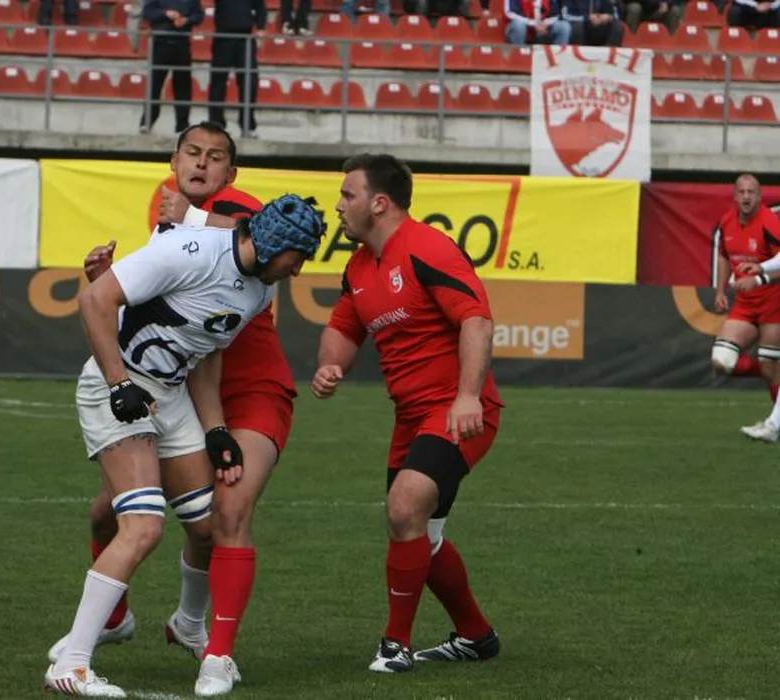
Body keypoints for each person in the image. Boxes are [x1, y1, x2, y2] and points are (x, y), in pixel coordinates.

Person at [48, 122, 303, 697]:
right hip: (124, 388)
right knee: (138, 527)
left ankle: (184, 623)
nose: (300, 269)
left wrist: (215, 431)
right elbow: (99, 301)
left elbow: (203, 351)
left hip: (175, 394)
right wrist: (118, 380)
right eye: (298, 256)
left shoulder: (256, 283)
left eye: (214, 157)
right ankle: (74, 663)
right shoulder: (185, 239)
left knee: (207, 527)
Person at [311, 153, 502, 674]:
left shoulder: (427, 247)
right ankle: (476, 636)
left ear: (379, 203)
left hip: (458, 409)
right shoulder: (358, 266)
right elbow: (343, 329)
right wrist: (329, 366)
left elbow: (477, 321)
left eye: (347, 195)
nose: (339, 205)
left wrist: (467, 396)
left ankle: (395, 645)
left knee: (403, 508)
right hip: (411, 417)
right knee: (419, 534)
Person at [708, 174, 780, 437]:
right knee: (721, 361)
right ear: (735, 196)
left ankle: (774, 426)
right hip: (746, 304)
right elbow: (724, 256)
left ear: (760, 197)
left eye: (752, 192)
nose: (747, 197)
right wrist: (720, 290)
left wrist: (759, 278)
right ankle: (769, 370)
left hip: (773, 302)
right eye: (742, 192)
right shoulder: (727, 222)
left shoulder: (769, 222)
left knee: (771, 366)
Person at [140, 0, 205, 134]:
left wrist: (186, 20)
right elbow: (147, 12)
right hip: (160, 43)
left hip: (182, 44)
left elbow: (199, 16)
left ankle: (182, 125)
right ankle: (147, 122)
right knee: (155, 86)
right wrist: (165, 13)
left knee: (183, 87)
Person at [208, 0, 265, 139]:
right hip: (223, 37)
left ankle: (247, 125)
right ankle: (216, 124)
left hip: (245, 38)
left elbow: (260, 6)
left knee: (249, 82)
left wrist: (261, 25)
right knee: (218, 82)